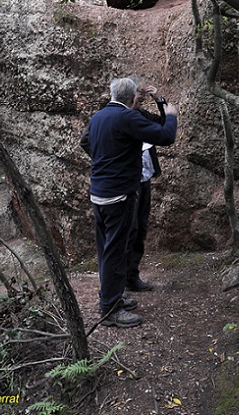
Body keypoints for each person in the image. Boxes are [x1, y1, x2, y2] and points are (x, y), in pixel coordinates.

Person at [81, 77, 177, 328]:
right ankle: (110, 309)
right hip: (119, 195)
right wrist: (172, 114)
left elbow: (87, 143)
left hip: (99, 193)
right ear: (132, 97)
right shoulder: (127, 118)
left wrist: (109, 161)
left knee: (107, 249)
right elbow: (166, 136)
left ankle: (111, 297)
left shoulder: (98, 117)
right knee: (115, 250)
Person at [126, 81, 167, 292]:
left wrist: (159, 100)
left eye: (143, 99)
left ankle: (132, 276)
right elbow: (88, 142)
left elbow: (164, 123)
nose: (141, 101)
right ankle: (120, 280)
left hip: (144, 180)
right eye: (138, 97)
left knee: (140, 228)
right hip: (126, 183)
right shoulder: (114, 115)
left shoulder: (140, 115)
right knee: (128, 230)